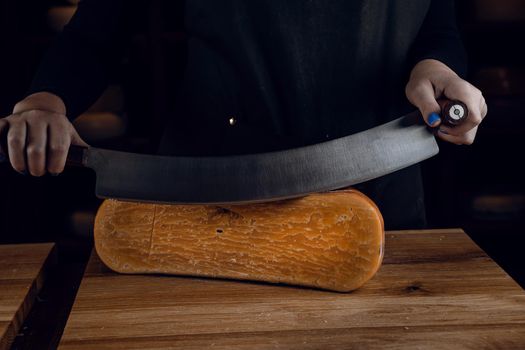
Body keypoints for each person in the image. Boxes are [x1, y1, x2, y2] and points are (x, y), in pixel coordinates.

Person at [0, 0, 487, 229]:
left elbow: (435, 23)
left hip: (380, 197)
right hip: (210, 201)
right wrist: (47, 100)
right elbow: (96, 31)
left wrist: (438, 68)